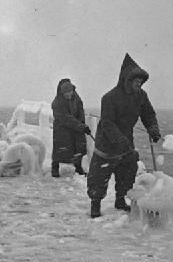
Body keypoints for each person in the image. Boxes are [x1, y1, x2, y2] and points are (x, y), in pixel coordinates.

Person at [87, 53, 161, 218]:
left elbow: (148, 113)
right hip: (106, 143)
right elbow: (107, 123)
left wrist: (153, 128)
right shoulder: (109, 98)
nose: (139, 84)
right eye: (136, 81)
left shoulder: (141, 96)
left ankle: (120, 200)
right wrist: (120, 141)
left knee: (127, 172)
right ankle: (95, 204)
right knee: (99, 176)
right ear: (127, 80)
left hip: (126, 141)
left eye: (141, 82)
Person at [51, 78, 91, 177]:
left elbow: (80, 111)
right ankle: (55, 168)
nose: (68, 95)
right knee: (59, 149)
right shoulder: (56, 103)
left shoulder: (76, 98)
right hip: (62, 128)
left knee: (78, 147)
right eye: (66, 94)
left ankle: (78, 167)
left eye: (70, 92)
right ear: (62, 93)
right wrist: (80, 126)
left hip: (76, 127)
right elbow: (65, 118)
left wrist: (82, 125)